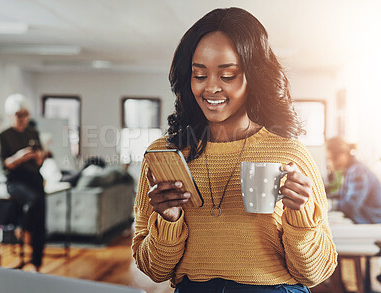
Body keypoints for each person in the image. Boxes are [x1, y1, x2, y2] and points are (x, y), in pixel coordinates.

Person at [132, 7, 337, 292]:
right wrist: (169, 219)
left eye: (227, 75)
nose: (211, 88)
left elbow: (317, 272)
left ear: (254, 76)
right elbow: (153, 270)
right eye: (199, 75)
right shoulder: (164, 156)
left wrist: (299, 213)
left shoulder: (290, 155)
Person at [0, 93, 46, 271]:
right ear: (11, 115)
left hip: (34, 178)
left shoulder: (33, 132)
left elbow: (40, 161)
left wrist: (38, 156)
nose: (23, 119)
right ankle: (23, 230)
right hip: (16, 180)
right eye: (19, 115)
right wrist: (20, 157)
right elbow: (5, 164)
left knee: (41, 215)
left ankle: (36, 262)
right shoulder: (4, 135)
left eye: (26, 115)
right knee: (33, 201)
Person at [327, 136, 381, 224]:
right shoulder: (350, 170)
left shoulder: (358, 171)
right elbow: (342, 195)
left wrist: (330, 205)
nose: (329, 162)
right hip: (366, 218)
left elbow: (350, 205)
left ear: (340, 156)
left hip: (373, 220)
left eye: (329, 158)